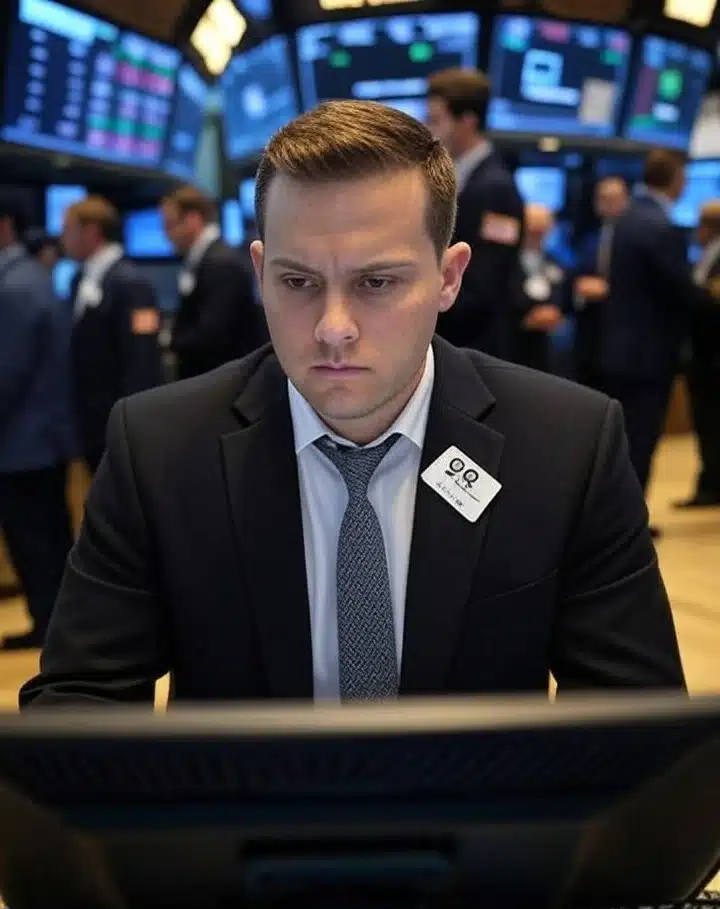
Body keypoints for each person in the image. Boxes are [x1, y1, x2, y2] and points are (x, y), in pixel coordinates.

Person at [20, 100, 684, 708]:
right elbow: (80, 706)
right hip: (242, 826)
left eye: (377, 281)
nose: (333, 327)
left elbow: (636, 726)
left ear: (448, 278)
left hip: (484, 833)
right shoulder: (158, 448)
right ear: (260, 272)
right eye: (298, 281)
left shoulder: (567, 445)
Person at [599, 150, 719, 511]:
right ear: (676, 179)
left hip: (620, 347)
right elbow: (679, 290)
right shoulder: (660, 226)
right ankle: (631, 520)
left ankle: (618, 516)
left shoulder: (628, 218)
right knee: (641, 437)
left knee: (624, 437)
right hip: (649, 353)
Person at [0, 200, 75, 651]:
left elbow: (7, 373)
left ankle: (51, 629)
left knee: (36, 544)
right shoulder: (30, 278)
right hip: (40, 437)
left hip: (22, 442)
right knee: (47, 539)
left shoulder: (13, 287)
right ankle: (52, 626)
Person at [426, 68, 524, 358]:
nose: (428, 129)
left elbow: (485, 286)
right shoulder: (462, 179)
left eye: (435, 120)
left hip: (476, 346)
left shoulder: (495, 188)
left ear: (467, 122)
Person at [63, 196, 164, 474]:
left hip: (119, 422)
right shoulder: (78, 279)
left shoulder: (131, 283)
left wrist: (132, 427)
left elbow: (143, 361)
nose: (63, 238)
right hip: (89, 421)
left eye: (68, 229)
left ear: (92, 232)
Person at [161, 186, 263, 380]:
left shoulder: (221, 263)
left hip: (223, 381)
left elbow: (212, 336)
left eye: (169, 224)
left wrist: (169, 341)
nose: (167, 234)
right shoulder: (207, 258)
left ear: (192, 220)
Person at [676, 200, 720, 509]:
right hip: (702, 357)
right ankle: (710, 483)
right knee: (706, 422)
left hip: (715, 356)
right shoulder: (707, 255)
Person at [572, 178, 629, 388]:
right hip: (589, 330)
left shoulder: (637, 240)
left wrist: (609, 290)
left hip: (622, 332)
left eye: (613, 199)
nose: (607, 204)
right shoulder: (588, 239)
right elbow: (575, 276)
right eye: (602, 199)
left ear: (625, 200)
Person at [510, 203, 566, 372]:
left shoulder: (555, 262)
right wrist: (525, 320)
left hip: (548, 351)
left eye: (542, 229)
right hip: (514, 347)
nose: (537, 233)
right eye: (533, 228)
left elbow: (564, 297)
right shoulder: (507, 263)